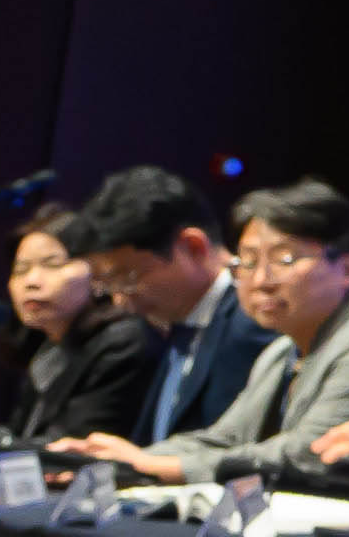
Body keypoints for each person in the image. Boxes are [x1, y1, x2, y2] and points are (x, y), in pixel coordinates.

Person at [71, 178, 349, 474]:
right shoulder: (280, 352)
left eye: (284, 259)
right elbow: (222, 439)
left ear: (346, 269)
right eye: (249, 262)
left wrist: (164, 466)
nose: (261, 281)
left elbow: (313, 452)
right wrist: (117, 463)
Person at [66, 168, 265, 441]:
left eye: (128, 277)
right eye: (108, 284)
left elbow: (234, 449)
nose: (120, 299)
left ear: (194, 247)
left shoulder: (252, 324)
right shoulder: (178, 326)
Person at [1, 207, 160, 448]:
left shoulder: (123, 341)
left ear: (98, 273)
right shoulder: (48, 351)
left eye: (52, 265)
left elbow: (75, 444)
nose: (31, 281)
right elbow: (21, 437)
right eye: (20, 270)